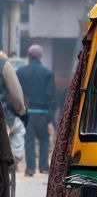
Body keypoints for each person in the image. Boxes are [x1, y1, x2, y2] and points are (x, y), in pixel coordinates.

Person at [17, 45, 55, 176]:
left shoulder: (20, 72)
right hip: (42, 112)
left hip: (26, 112)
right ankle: (44, 167)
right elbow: (50, 95)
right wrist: (50, 115)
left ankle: (30, 169)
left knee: (29, 140)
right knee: (44, 138)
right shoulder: (48, 73)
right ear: (40, 56)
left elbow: (17, 94)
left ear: (28, 54)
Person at [0, 52, 27, 163]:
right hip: (3, 115)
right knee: (19, 129)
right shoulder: (4, 64)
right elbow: (16, 95)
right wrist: (21, 110)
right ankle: (12, 161)